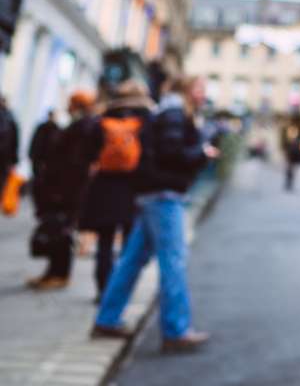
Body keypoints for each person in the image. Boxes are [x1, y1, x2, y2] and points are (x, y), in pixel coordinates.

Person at [92, 75, 218, 352]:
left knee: (132, 260)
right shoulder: (175, 114)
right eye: (199, 89)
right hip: (165, 195)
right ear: (185, 90)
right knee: (173, 261)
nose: (203, 95)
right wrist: (202, 152)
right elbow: (173, 154)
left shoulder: (164, 111)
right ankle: (175, 330)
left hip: (151, 193)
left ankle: (107, 319)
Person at [79, 82, 154, 300]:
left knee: (104, 242)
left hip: (104, 185)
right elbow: (150, 155)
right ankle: (120, 293)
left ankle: (102, 291)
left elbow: (88, 151)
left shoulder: (105, 116)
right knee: (130, 246)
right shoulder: (147, 118)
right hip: (133, 188)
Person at [27, 92, 97, 289]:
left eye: (70, 103)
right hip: (67, 189)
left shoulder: (82, 128)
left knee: (61, 232)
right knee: (58, 231)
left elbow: (72, 163)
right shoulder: (82, 126)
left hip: (67, 191)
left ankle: (58, 274)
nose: (67, 106)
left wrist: (59, 190)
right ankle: (53, 273)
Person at [0, 94, 18, 189]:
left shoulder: (10, 119)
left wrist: (14, 160)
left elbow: (14, 141)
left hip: (4, 158)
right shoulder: (11, 118)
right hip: (5, 158)